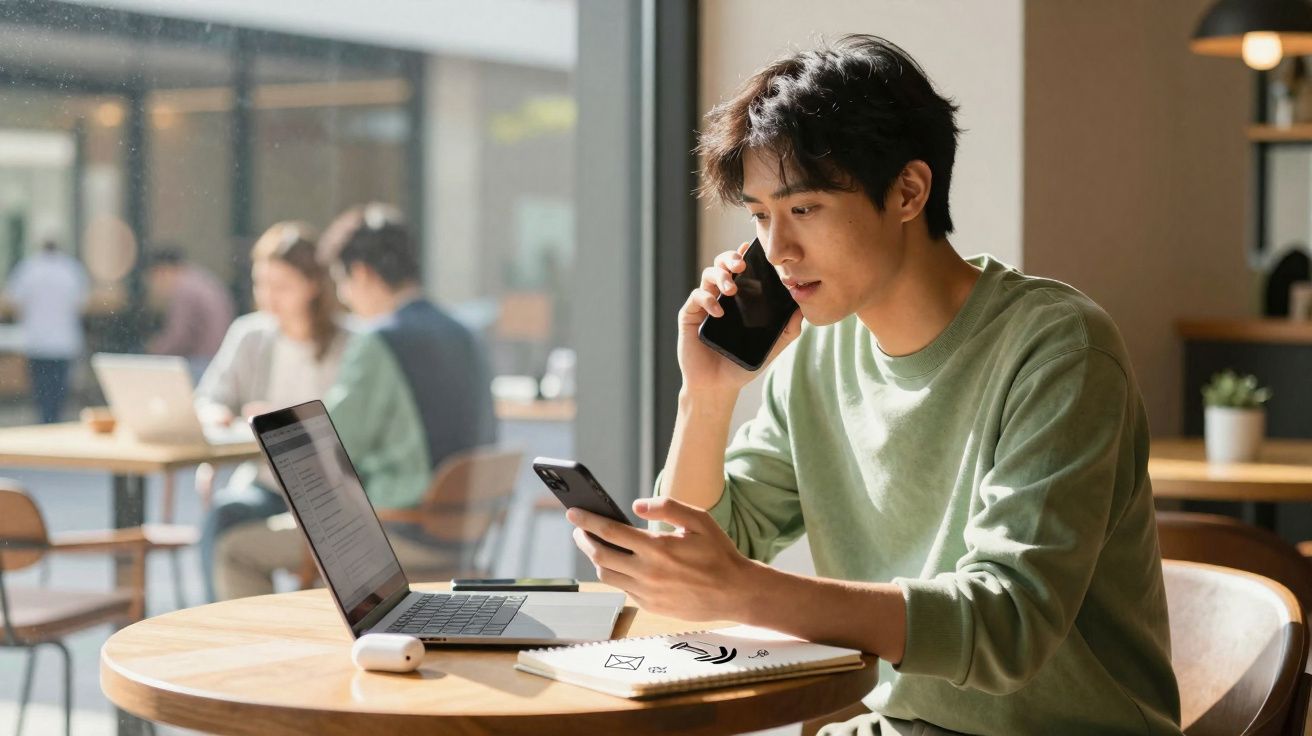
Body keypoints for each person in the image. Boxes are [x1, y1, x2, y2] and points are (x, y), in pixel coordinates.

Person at [563, 36, 1182, 736]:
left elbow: (1008, 624)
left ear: (909, 192)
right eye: (760, 215)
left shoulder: (1058, 347)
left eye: (804, 209)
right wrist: (704, 397)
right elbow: (704, 549)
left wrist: (747, 590)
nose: (778, 251)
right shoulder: (816, 356)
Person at [214, 204, 498, 600]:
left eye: (342, 283)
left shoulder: (380, 340)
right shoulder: (465, 334)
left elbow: (332, 445)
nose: (344, 298)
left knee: (236, 549)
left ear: (361, 273)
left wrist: (275, 424)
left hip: (399, 529)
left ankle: (263, 659)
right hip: (468, 529)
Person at [195, 221, 352, 602]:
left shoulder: (351, 345)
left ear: (313, 285)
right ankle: (225, 623)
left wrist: (284, 419)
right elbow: (208, 398)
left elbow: (351, 428)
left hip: (327, 488)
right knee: (224, 515)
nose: (268, 298)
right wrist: (218, 415)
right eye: (260, 284)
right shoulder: (251, 336)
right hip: (266, 483)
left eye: (281, 286)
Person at [3, 240, 89, 423]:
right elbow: (82, 303)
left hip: (37, 341)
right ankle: (54, 421)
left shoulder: (28, 269)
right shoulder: (71, 270)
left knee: (41, 389)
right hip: (63, 341)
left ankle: (45, 421)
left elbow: (14, 300)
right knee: (59, 389)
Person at [145, 246, 234, 379]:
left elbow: (179, 335)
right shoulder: (198, 279)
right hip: (217, 358)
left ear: (162, 271)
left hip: (203, 363)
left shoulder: (184, 289)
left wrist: (153, 351)